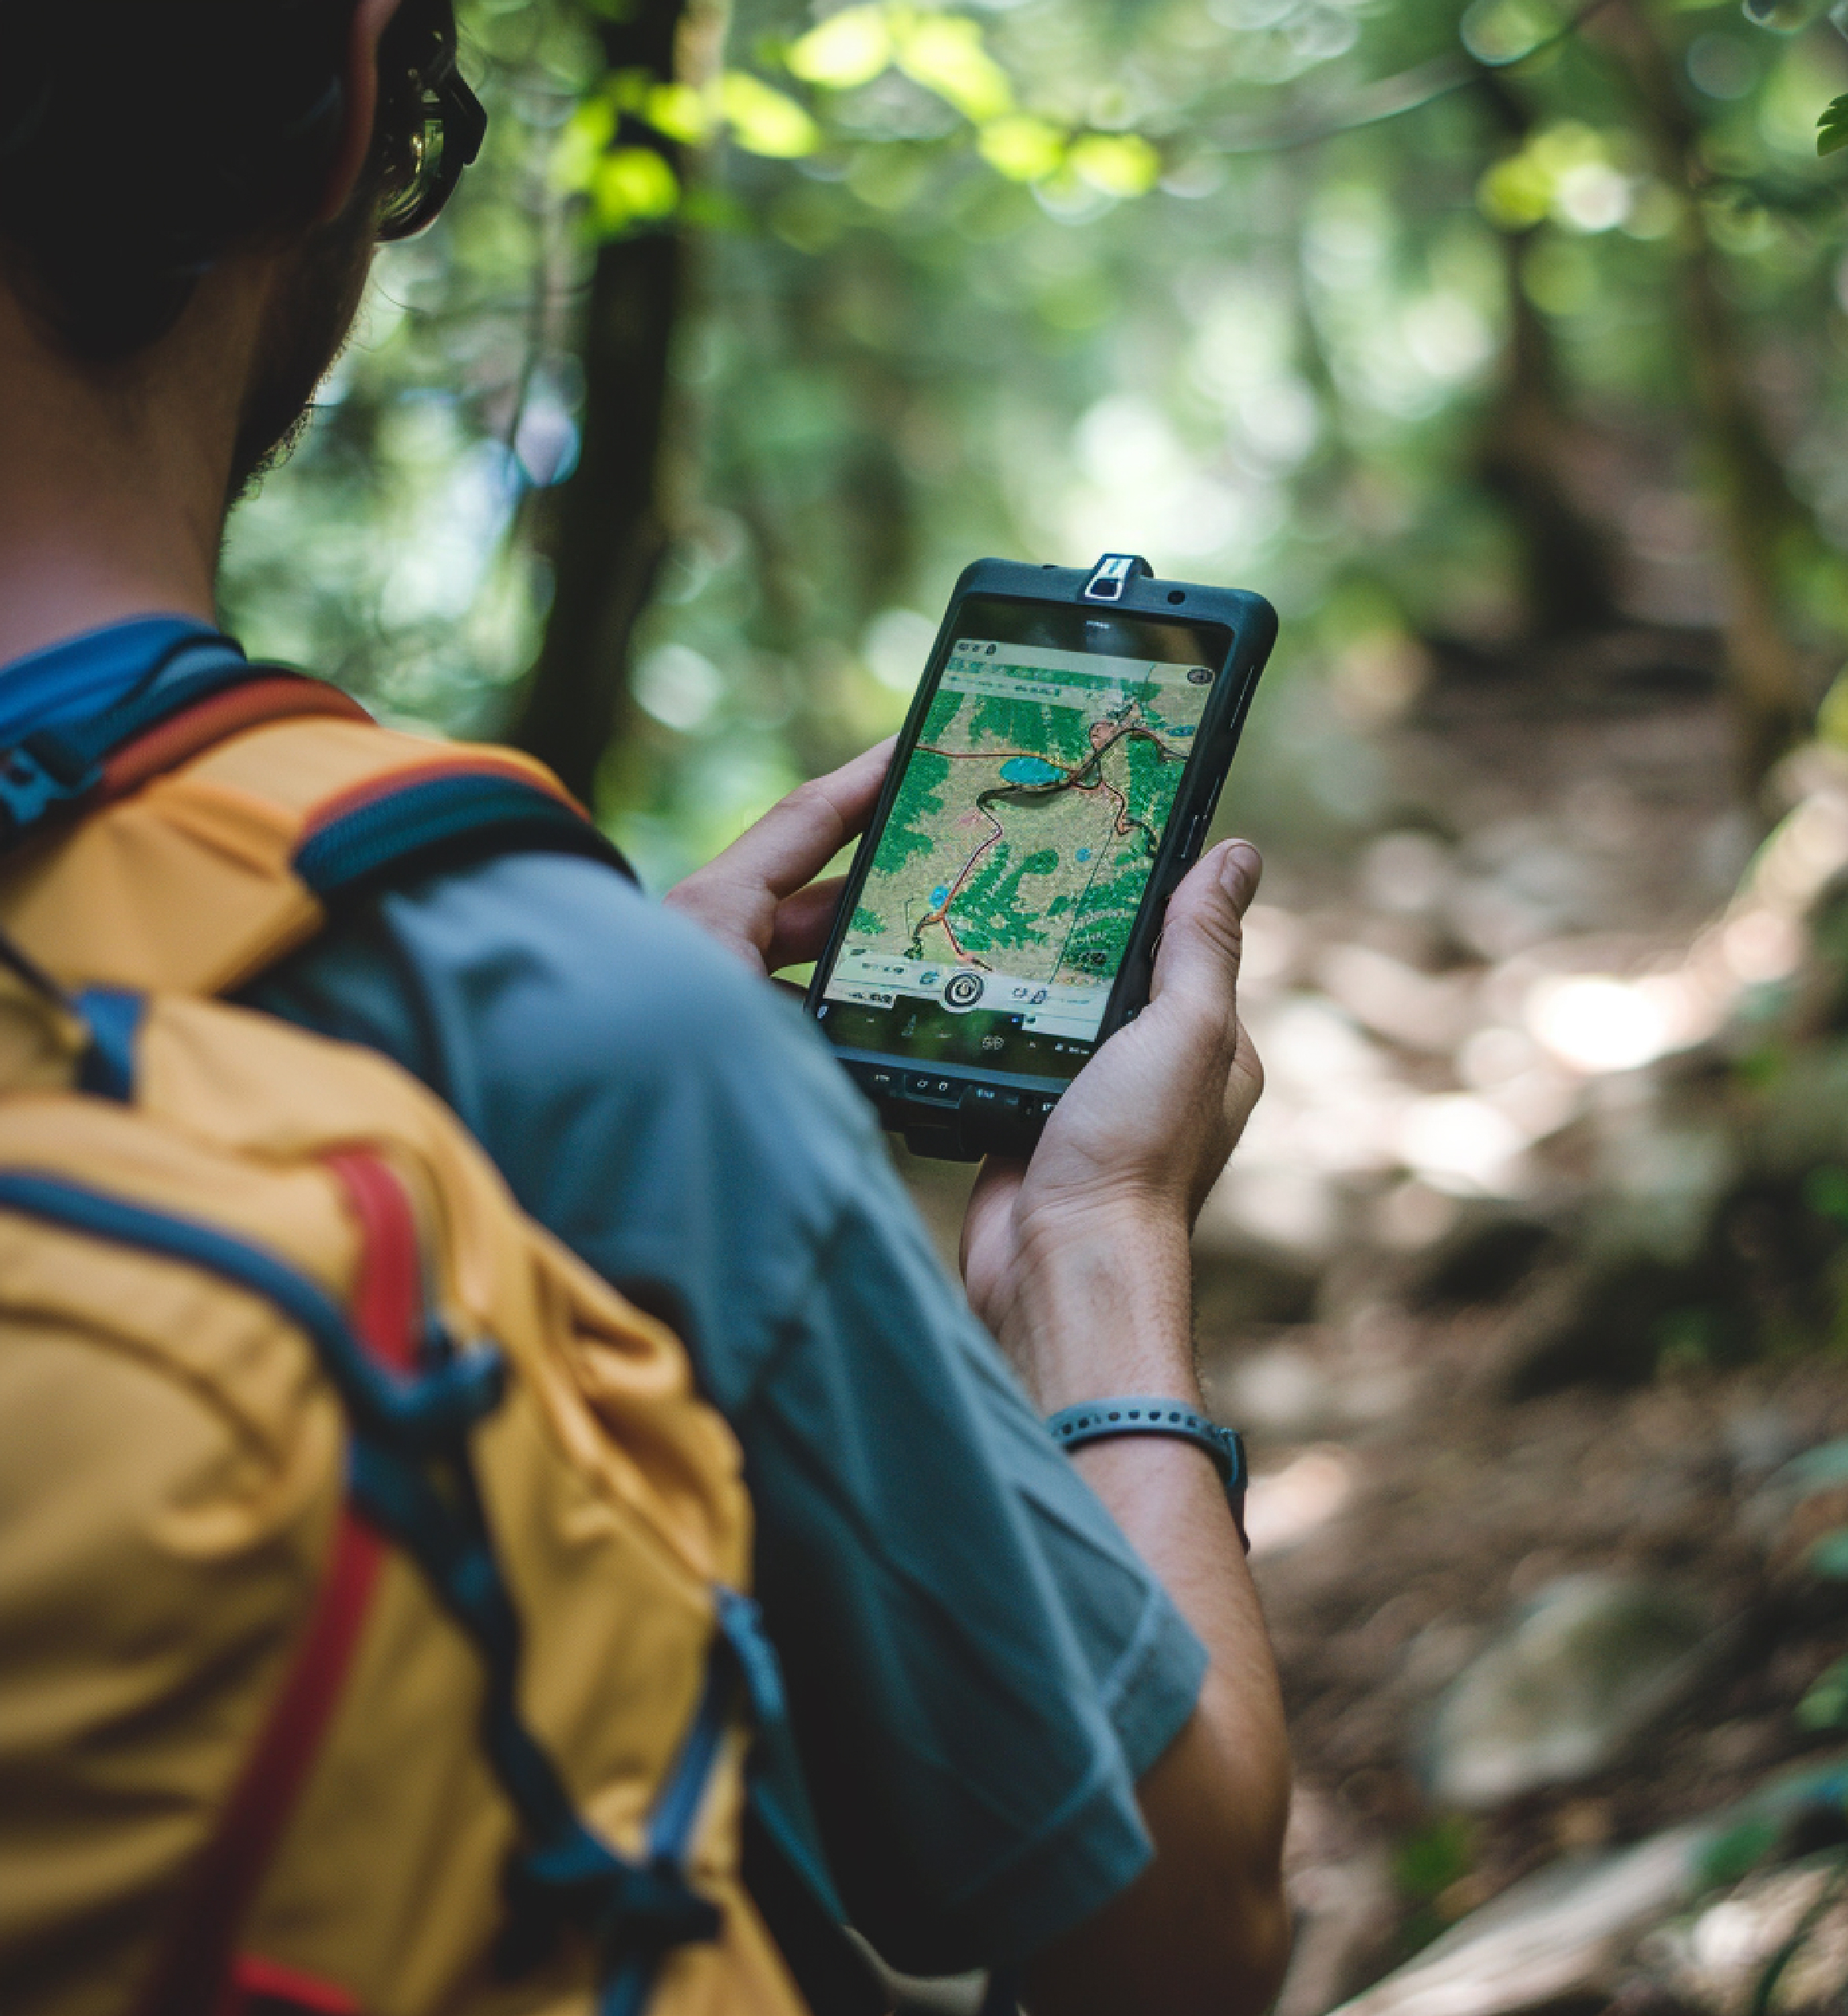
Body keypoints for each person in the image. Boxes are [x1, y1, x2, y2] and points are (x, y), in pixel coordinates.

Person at [0, 2, 1291, 2012]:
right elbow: (1182, 1934)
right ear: (346, 102)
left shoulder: (554, 1015)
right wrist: (1095, 1246)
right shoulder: (552, 1025)